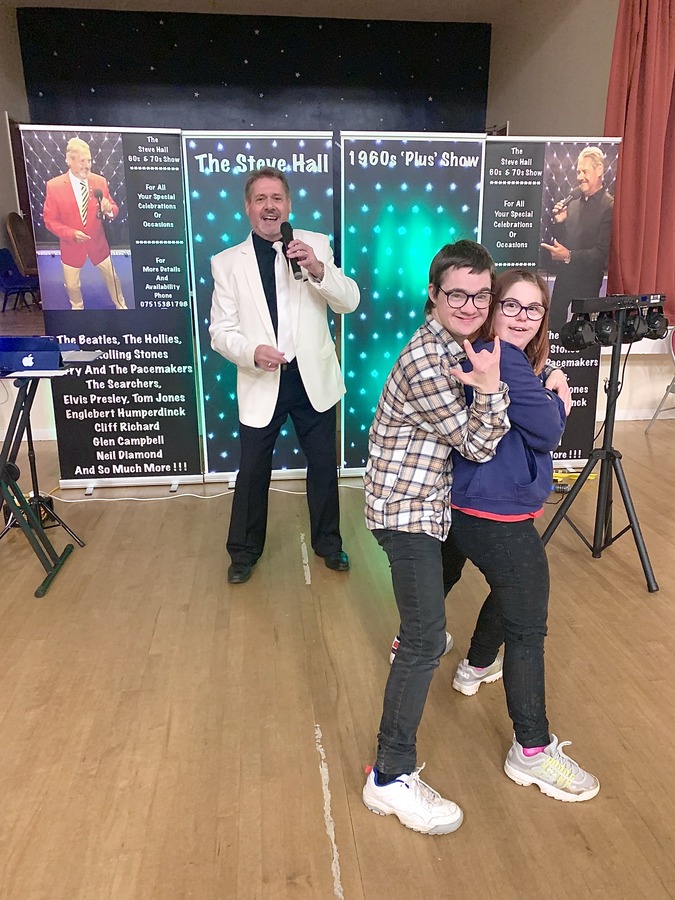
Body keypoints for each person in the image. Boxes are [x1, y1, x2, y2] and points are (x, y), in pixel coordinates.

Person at [361, 240, 510, 835]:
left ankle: (416, 634)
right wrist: (493, 388)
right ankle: (389, 776)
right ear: (434, 294)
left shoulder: (457, 345)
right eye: (458, 295)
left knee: (431, 612)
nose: (471, 306)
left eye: (481, 296)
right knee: (426, 640)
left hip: (428, 502)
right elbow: (476, 444)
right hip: (406, 512)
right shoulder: (429, 361)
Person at [446, 268, 599, 802]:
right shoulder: (504, 357)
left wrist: (545, 381)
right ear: (492, 308)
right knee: (529, 622)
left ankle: (475, 665)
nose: (522, 317)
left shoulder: (500, 357)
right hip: (495, 512)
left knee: (511, 589)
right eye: (511, 305)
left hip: (478, 506)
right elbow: (551, 429)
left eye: (533, 309)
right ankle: (530, 751)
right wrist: (555, 397)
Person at [210, 166, 360, 585]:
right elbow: (220, 331)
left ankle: (329, 543)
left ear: (289, 205)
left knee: (323, 466)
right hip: (262, 377)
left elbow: (348, 301)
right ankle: (243, 553)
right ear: (248, 208)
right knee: (252, 471)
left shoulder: (316, 245)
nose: (269, 206)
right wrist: (251, 352)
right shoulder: (227, 263)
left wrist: (318, 269)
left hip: (313, 379)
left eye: (277, 198)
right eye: (261, 199)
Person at [42, 137, 127, 310]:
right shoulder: (54, 186)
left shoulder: (99, 182)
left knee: (113, 278)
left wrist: (109, 209)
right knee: (72, 286)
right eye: (82, 161)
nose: (87, 165)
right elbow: (49, 220)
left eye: (89, 160)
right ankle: (78, 310)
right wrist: (71, 234)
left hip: (98, 245)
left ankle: (121, 307)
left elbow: (114, 209)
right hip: (71, 247)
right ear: (69, 160)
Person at [540, 146, 614, 330]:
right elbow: (563, 241)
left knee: (583, 330)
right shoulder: (572, 202)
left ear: (599, 171)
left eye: (585, 171)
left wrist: (569, 256)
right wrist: (559, 223)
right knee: (554, 325)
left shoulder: (609, 206)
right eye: (578, 172)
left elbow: (601, 254)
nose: (580, 177)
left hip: (588, 282)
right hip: (564, 279)